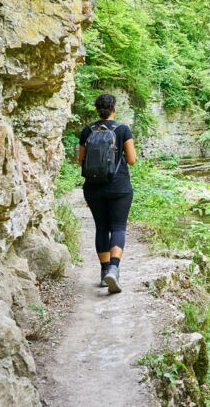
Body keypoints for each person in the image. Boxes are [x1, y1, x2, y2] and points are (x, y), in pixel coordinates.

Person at [78, 93, 137, 294]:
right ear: (114, 109)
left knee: (102, 227)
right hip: (119, 186)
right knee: (118, 227)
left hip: (93, 188)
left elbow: (80, 161)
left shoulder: (87, 131)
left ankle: (104, 273)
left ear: (97, 109)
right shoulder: (123, 129)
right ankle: (114, 268)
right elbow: (132, 160)